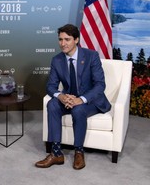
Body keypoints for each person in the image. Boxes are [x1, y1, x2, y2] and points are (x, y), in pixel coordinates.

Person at [35, 24, 111, 170]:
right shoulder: (57, 60)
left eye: (67, 39)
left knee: (78, 110)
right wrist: (61, 96)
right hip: (69, 98)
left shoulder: (91, 56)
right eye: (60, 39)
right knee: (52, 104)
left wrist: (80, 100)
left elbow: (100, 85)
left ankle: (79, 152)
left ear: (76, 40)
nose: (63, 44)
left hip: (91, 100)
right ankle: (56, 153)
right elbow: (50, 86)